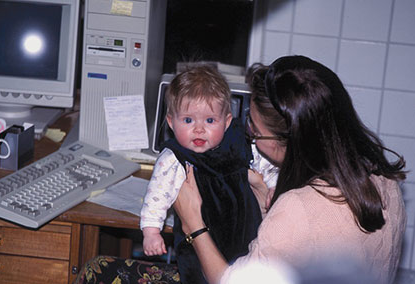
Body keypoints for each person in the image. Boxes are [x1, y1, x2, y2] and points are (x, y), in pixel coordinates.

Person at [172, 55, 407, 284]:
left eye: (253, 128)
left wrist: (193, 224)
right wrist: (266, 204)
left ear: (288, 141)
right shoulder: (386, 182)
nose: (248, 131)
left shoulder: (297, 208)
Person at [140, 64, 277, 283]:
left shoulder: (241, 144)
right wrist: (151, 232)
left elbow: (266, 167)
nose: (199, 129)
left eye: (210, 120)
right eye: (188, 120)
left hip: (246, 239)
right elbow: (155, 198)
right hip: (198, 246)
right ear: (171, 123)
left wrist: (272, 187)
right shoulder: (172, 159)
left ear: (227, 122)